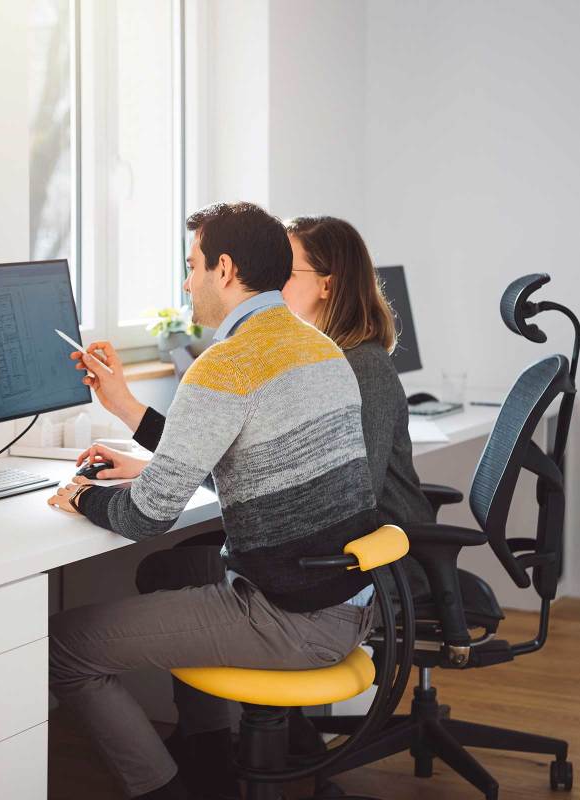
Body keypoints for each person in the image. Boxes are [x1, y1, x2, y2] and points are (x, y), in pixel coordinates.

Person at [71, 214, 433, 791]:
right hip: (349, 602)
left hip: (289, 615)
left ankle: (177, 790)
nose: (187, 285)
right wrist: (127, 410)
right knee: (168, 571)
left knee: (64, 649)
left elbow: (145, 516)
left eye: (191, 267)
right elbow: (251, 461)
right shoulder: (318, 350)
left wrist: (82, 497)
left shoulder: (228, 364)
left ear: (226, 269)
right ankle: (209, 756)